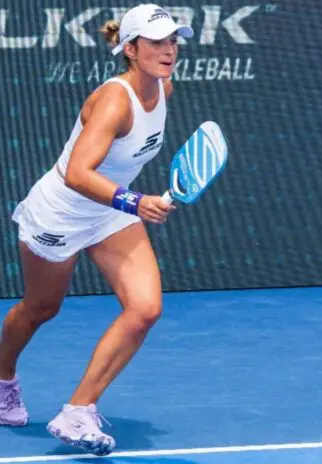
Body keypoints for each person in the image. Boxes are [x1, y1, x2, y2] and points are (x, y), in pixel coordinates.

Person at [0, 4, 193, 456]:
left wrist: (127, 201)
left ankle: (78, 411)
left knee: (144, 309)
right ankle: (2, 378)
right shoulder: (112, 100)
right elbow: (78, 174)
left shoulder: (165, 85)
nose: (169, 51)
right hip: (62, 213)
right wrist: (135, 202)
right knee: (41, 307)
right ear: (130, 49)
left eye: (173, 41)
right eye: (157, 42)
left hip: (108, 211)